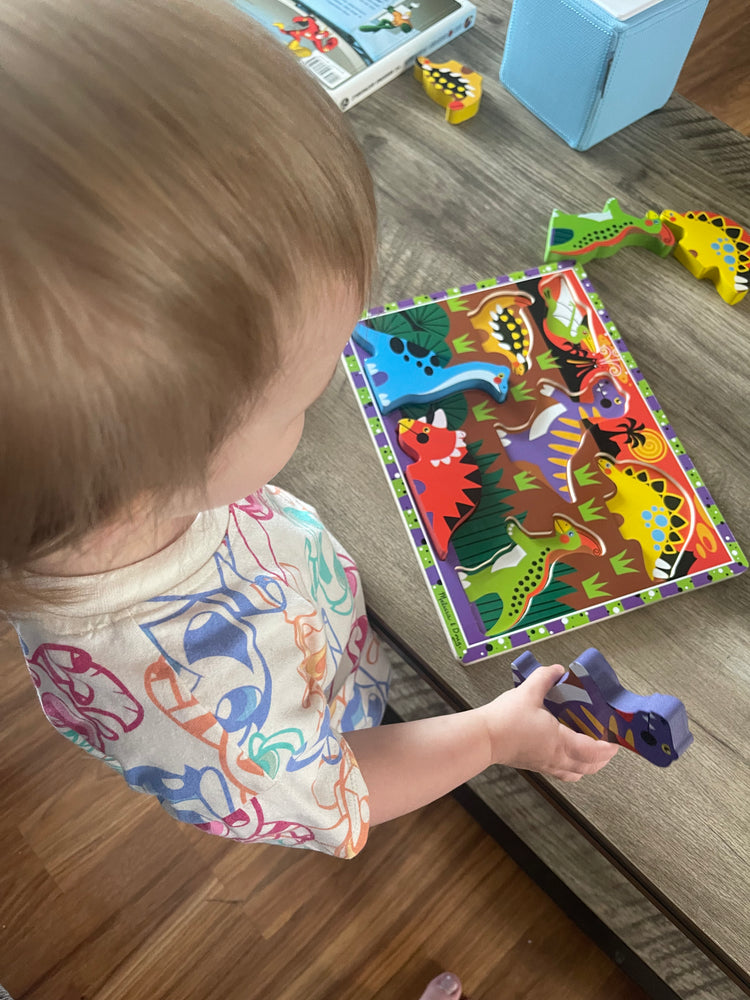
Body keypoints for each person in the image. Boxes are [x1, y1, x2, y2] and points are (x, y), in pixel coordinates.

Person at [0, 0, 618, 862]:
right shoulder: (199, 701)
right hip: (317, 720)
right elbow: (338, 789)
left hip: (298, 600)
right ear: (153, 469)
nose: (330, 388)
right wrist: (487, 736)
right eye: (302, 396)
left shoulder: (102, 485)